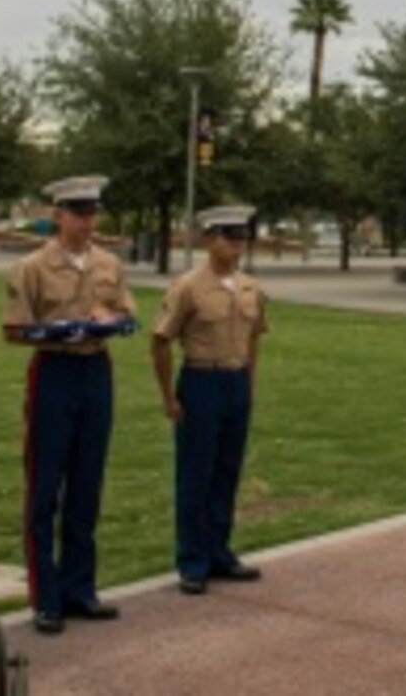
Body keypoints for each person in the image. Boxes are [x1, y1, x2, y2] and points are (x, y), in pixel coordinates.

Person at [2, 176, 135, 634]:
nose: (85, 222)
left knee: (87, 483)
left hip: (95, 371)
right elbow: (14, 329)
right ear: (57, 215)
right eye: (76, 213)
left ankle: (81, 586)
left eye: (91, 213)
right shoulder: (33, 267)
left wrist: (111, 320)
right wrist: (60, 329)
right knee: (45, 486)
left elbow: (127, 315)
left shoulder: (108, 264)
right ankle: (46, 595)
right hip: (54, 372)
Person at [152, 205, 268, 595]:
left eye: (240, 238)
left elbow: (254, 337)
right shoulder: (188, 287)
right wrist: (169, 397)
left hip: (235, 382)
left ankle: (220, 550)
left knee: (227, 471)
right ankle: (192, 559)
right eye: (227, 238)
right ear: (208, 240)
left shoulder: (251, 287)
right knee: (196, 475)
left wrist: (249, 382)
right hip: (202, 379)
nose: (236, 246)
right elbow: (161, 341)